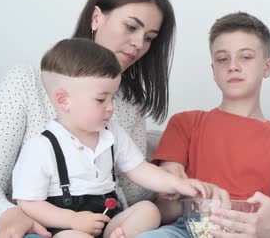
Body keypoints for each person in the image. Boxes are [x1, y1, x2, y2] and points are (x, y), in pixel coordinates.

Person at [0, 0, 177, 238]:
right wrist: (11, 216)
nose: (139, 44)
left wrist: (172, 180)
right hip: (31, 227)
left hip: (101, 225)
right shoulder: (25, 82)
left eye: (149, 37)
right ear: (96, 18)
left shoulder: (128, 104)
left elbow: (134, 191)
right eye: (131, 27)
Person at [12, 38, 209, 238]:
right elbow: (28, 203)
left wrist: (177, 184)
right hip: (65, 227)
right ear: (64, 100)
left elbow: (140, 169)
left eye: (112, 97)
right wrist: (73, 219)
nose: (110, 107)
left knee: (148, 210)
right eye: (100, 99)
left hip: (108, 220)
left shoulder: (111, 133)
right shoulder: (41, 147)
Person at [137, 12, 270, 238]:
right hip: (189, 228)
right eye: (223, 59)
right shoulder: (185, 123)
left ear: (267, 66)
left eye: (245, 57)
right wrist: (175, 190)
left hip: (250, 231)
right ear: (213, 70)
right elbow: (164, 210)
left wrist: (269, 229)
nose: (233, 66)